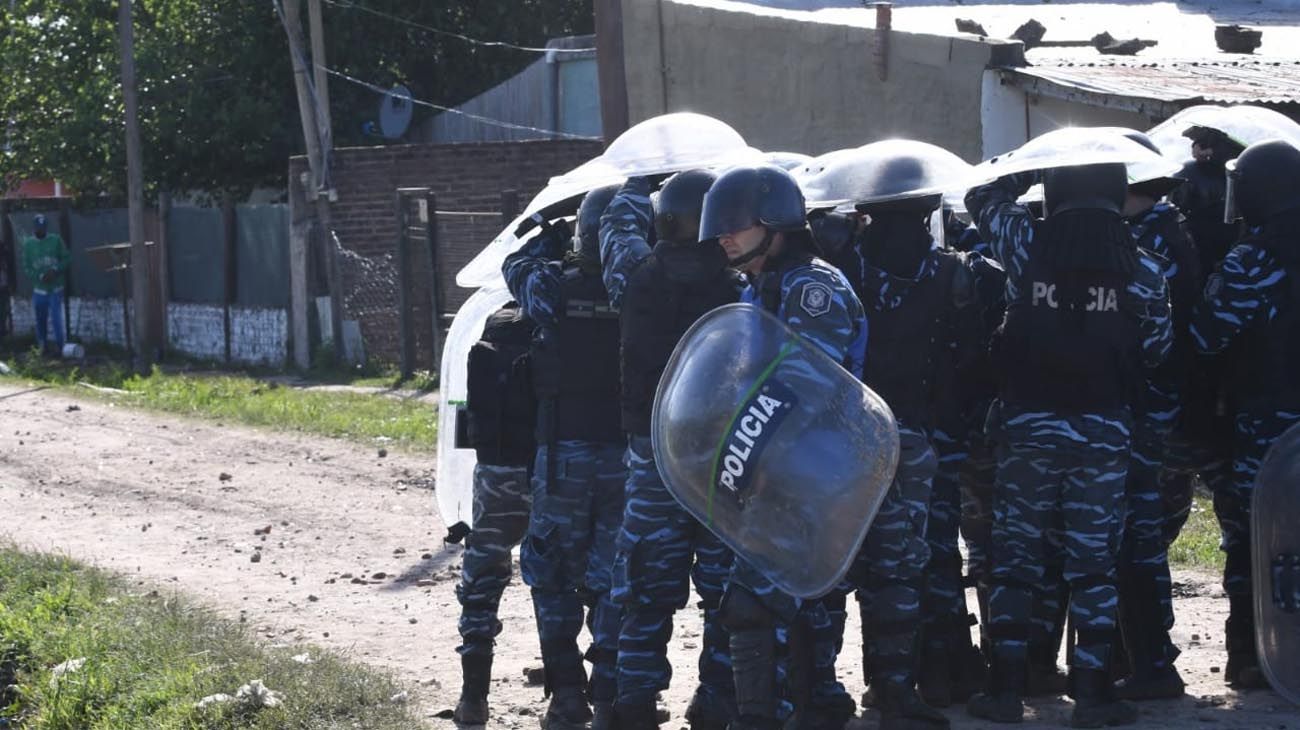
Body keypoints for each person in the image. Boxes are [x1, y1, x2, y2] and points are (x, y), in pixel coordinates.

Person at [963, 159, 1172, 727]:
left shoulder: (1025, 246)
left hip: (1027, 428)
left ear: (1056, 194)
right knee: (1093, 567)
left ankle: (1004, 691)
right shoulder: (1144, 269)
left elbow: (980, 196)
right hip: (1103, 432)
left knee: (1015, 563)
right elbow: (1154, 349)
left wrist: (1028, 173)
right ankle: (1094, 694)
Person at [697, 164, 871, 730]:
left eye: (735, 223)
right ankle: (811, 707)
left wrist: (760, 463)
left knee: (753, 606)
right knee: (794, 610)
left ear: (774, 222)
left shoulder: (811, 287)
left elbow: (806, 387)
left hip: (813, 475)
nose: (723, 235)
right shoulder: (760, 286)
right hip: (778, 475)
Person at [601, 170, 746, 730]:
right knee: (723, 594)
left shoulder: (633, 276)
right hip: (720, 460)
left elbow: (615, 225)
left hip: (653, 457)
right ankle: (716, 703)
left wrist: (639, 181)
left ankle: (633, 704)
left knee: (645, 593)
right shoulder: (740, 285)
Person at [503, 187, 628, 729]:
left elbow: (515, 264)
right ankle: (611, 688)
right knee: (615, 575)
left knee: (552, 574)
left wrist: (551, 230)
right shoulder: (640, 290)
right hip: (627, 460)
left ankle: (568, 695)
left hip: (563, 460)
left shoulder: (553, 288)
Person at [1189, 139, 1300, 690]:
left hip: (1266, 424)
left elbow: (1207, 337)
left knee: (1255, 540)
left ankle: (1254, 656)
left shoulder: (1252, 259)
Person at [1114, 133, 1202, 701]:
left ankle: (1152, 660)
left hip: (1152, 415)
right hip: (1155, 411)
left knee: (1138, 541)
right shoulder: (1162, 233)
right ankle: (1142, 656)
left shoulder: (1153, 245)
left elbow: (1155, 341)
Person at [452, 301, 538, 725]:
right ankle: (573, 694)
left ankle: (473, 697)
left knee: (482, 582)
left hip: (496, 469)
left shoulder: (496, 323)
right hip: (556, 469)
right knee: (571, 580)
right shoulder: (565, 312)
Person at [21, 214, 69, 355]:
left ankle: (62, 348)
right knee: (40, 319)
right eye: (38, 228)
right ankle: (42, 346)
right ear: (34, 228)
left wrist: (55, 270)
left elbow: (67, 258)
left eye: (42, 228)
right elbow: (27, 267)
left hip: (55, 288)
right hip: (39, 290)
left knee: (56, 319)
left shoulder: (55, 240)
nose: (40, 231)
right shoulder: (29, 244)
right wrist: (40, 276)